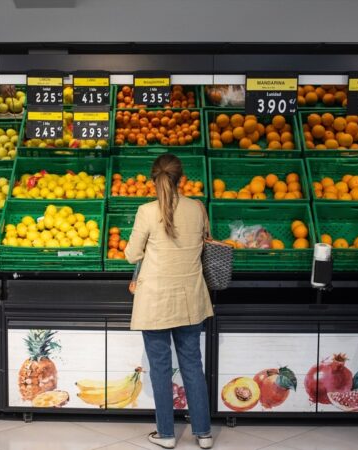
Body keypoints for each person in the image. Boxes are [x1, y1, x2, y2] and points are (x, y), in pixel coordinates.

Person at [125, 154, 214, 449]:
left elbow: (132, 255)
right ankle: (204, 433)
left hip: (155, 300)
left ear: (154, 180)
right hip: (190, 298)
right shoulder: (197, 208)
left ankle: (166, 434)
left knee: (160, 368)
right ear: (181, 178)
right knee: (193, 365)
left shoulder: (146, 211)